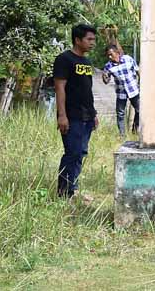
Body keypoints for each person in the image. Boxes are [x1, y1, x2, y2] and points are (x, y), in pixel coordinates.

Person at [53, 24, 99, 199]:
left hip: (87, 115)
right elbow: (59, 88)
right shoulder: (64, 59)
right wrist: (62, 115)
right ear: (77, 40)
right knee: (72, 153)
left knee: (81, 153)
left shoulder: (87, 62)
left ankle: (73, 188)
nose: (92, 43)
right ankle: (64, 193)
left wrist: (93, 114)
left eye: (94, 39)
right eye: (89, 39)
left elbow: (87, 90)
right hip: (72, 116)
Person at [102, 45, 140, 137]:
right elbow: (106, 81)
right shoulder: (108, 66)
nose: (110, 57)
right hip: (121, 93)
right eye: (108, 55)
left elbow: (138, 71)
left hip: (133, 90)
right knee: (120, 114)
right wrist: (104, 78)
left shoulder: (128, 59)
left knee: (140, 110)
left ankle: (134, 131)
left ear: (117, 53)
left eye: (111, 54)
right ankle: (122, 135)